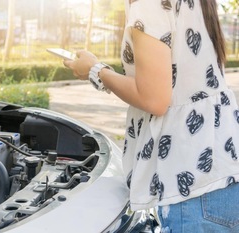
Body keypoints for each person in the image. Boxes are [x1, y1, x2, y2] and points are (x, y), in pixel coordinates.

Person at [64, 0, 239, 232]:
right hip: (222, 174)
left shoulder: (148, 3)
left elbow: (154, 99)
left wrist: (96, 70)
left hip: (191, 186)